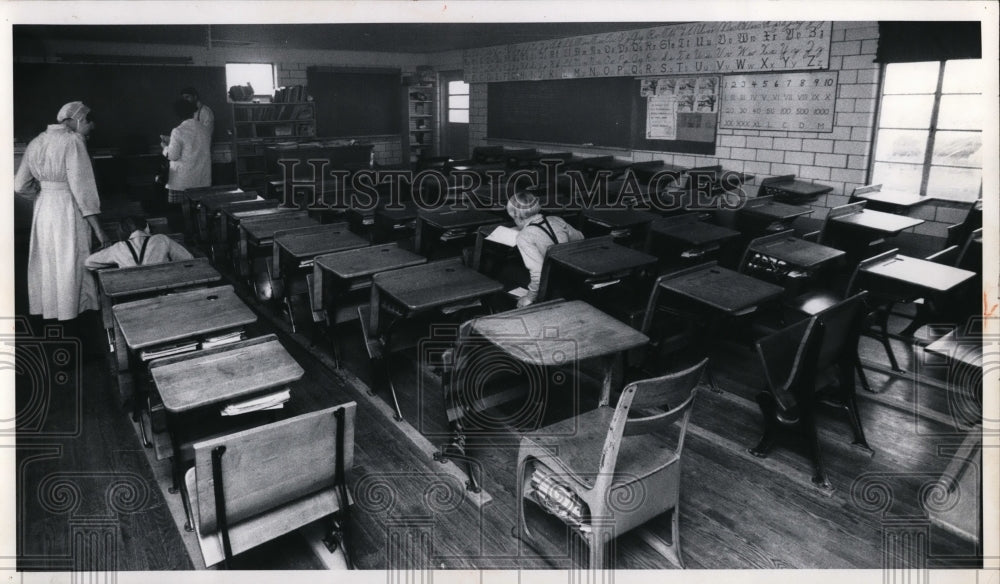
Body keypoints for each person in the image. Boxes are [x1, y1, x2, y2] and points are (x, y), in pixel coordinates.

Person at [14, 101, 108, 321]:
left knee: (49, 259)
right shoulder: (73, 141)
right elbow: (83, 191)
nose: (89, 126)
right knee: (70, 258)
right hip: (67, 208)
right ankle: (73, 314)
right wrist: (99, 230)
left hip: (44, 207)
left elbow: (19, 185)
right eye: (86, 121)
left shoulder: (37, 142)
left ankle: (52, 310)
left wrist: (41, 193)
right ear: (74, 120)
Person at [506, 191, 584, 307]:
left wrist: (529, 298)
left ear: (517, 216)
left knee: (506, 273)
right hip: (573, 276)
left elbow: (538, 272)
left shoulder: (524, 236)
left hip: (552, 285)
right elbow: (580, 238)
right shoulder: (556, 219)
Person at [84, 216, 193, 270]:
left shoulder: (118, 248)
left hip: (130, 292)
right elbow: (188, 258)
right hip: (163, 285)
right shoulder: (161, 239)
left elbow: (89, 262)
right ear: (147, 227)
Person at [161, 98, 212, 209]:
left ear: (177, 114)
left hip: (182, 183)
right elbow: (192, 146)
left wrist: (165, 148)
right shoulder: (204, 130)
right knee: (200, 214)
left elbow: (173, 156)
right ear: (192, 111)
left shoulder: (178, 131)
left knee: (183, 215)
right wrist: (172, 141)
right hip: (202, 180)